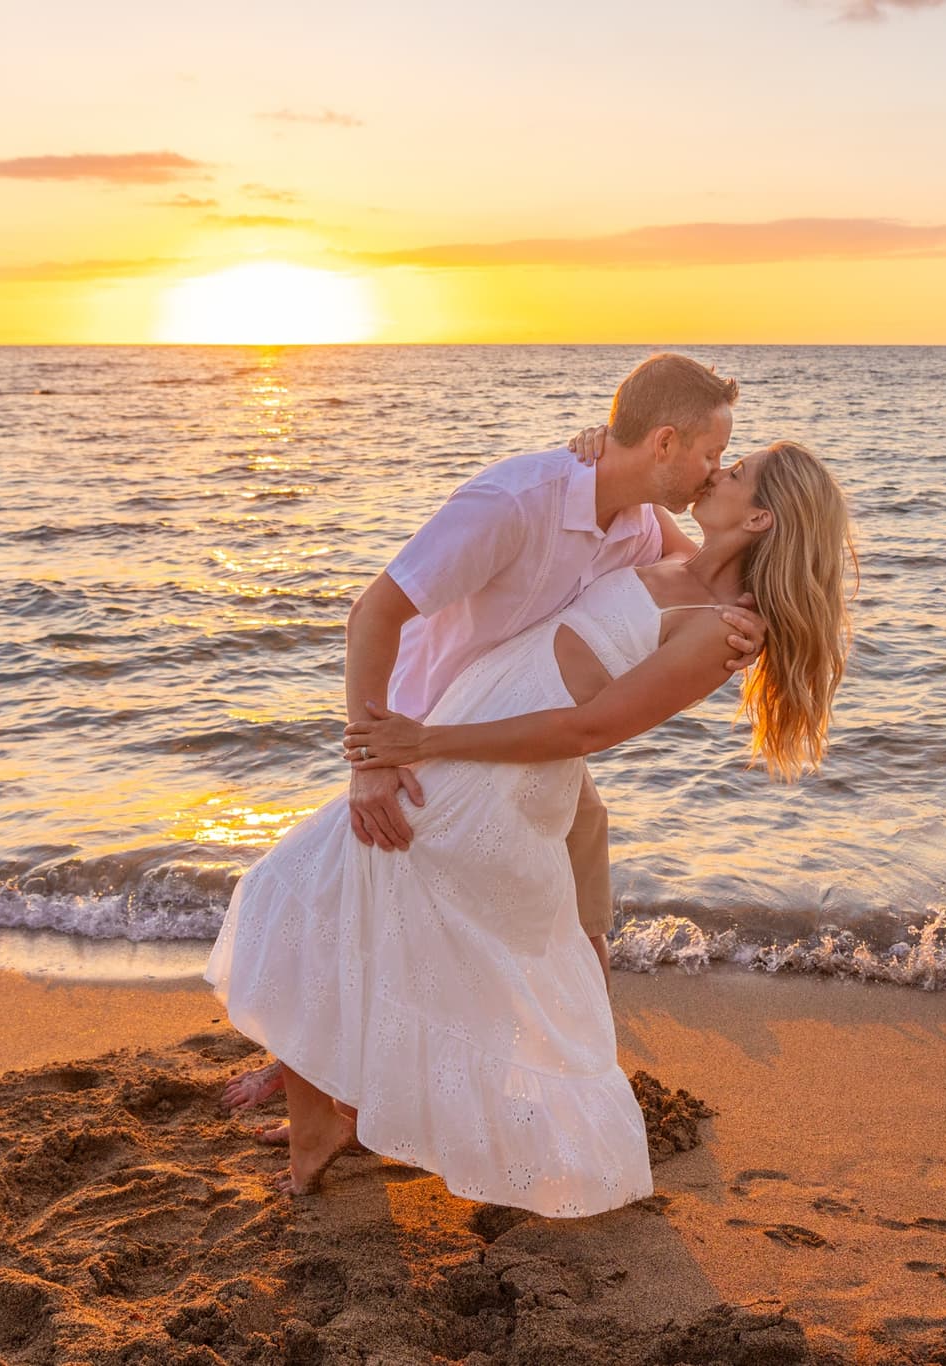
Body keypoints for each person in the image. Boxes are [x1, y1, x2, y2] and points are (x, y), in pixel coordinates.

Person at [203, 440, 855, 1213]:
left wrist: (429, 739)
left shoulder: (723, 630)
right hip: (466, 741)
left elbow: (588, 729)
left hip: (495, 774)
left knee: (302, 894)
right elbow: (628, 478)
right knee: (357, 911)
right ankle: (337, 1110)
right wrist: (599, 442)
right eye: (719, 455)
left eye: (736, 471)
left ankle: (327, 1123)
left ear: (759, 519)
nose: (718, 471)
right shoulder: (674, 553)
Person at [218, 354, 764, 1141]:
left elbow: (704, 571)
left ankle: (573, 1083)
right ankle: (328, 1074)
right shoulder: (515, 501)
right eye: (713, 453)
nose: (716, 470)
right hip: (431, 726)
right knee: (362, 894)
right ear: (667, 443)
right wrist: (370, 764)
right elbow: (372, 614)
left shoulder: (640, 520)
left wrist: (757, 625)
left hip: (530, 748)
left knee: (572, 927)